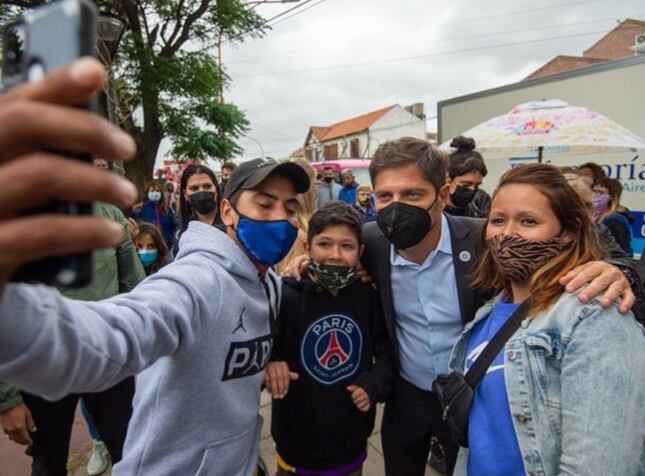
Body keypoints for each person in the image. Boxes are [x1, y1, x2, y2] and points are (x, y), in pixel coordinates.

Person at [0, 156, 310, 476]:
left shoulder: (269, 284)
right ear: (228, 212)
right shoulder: (197, 281)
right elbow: (124, 329)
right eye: (265, 204)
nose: (280, 218)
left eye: (289, 209)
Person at [355, 138, 639, 476]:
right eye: (385, 196)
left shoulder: (486, 238)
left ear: (443, 195)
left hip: (473, 394)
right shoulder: (370, 241)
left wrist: (621, 273)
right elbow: (326, 253)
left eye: (413, 195)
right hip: (407, 395)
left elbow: (602, 252)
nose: (396, 207)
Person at [449, 163, 645, 475]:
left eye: (528, 221)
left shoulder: (594, 317)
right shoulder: (491, 308)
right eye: (498, 220)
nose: (507, 233)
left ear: (567, 233)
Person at [0, 198, 145, 476]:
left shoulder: (109, 215)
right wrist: (6, 399)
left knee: (131, 453)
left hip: (107, 362)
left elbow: (136, 290)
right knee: (48, 464)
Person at [266, 202, 396, 475]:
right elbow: (262, 344)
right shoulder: (284, 296)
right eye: (324, 244)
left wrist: (375, 384)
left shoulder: (368, 296)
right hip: (295, 443)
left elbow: (388, 352)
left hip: (348, 441)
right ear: (307, 248)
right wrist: (271, 361)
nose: (335, 255)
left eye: (346, 246)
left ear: (360, 252)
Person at [276, 158, 318, 276]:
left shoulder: (304, 225)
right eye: (315, 184)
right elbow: (289, 275)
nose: (317, 189)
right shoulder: (299, 232)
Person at [445, 136, 489, 218]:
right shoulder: (434, 213)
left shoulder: (480, 205)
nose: (472, 189)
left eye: (477, 185)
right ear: (448, 178)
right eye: (466, 184)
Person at [592, 177, 633, 256]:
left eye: (600, 192)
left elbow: (623, 251)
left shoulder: (615, 219)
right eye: (593, 191)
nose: (595, 195)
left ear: (612, 196)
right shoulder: (592, 216)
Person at [133, 180, 177, 250]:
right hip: (149, 246)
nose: (155, 193)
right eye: (152, 191)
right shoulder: (142, 209)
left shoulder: (167, 209)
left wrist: (171, 239)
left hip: (166, 246)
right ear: (147, 193)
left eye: (157, 191)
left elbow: (173, 226)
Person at [179, 163, 222, 233]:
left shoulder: (233, 227)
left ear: (216, 189)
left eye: (207, 186)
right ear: (185, 194)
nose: (201, 191)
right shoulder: (182, 234)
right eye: (194, 188)